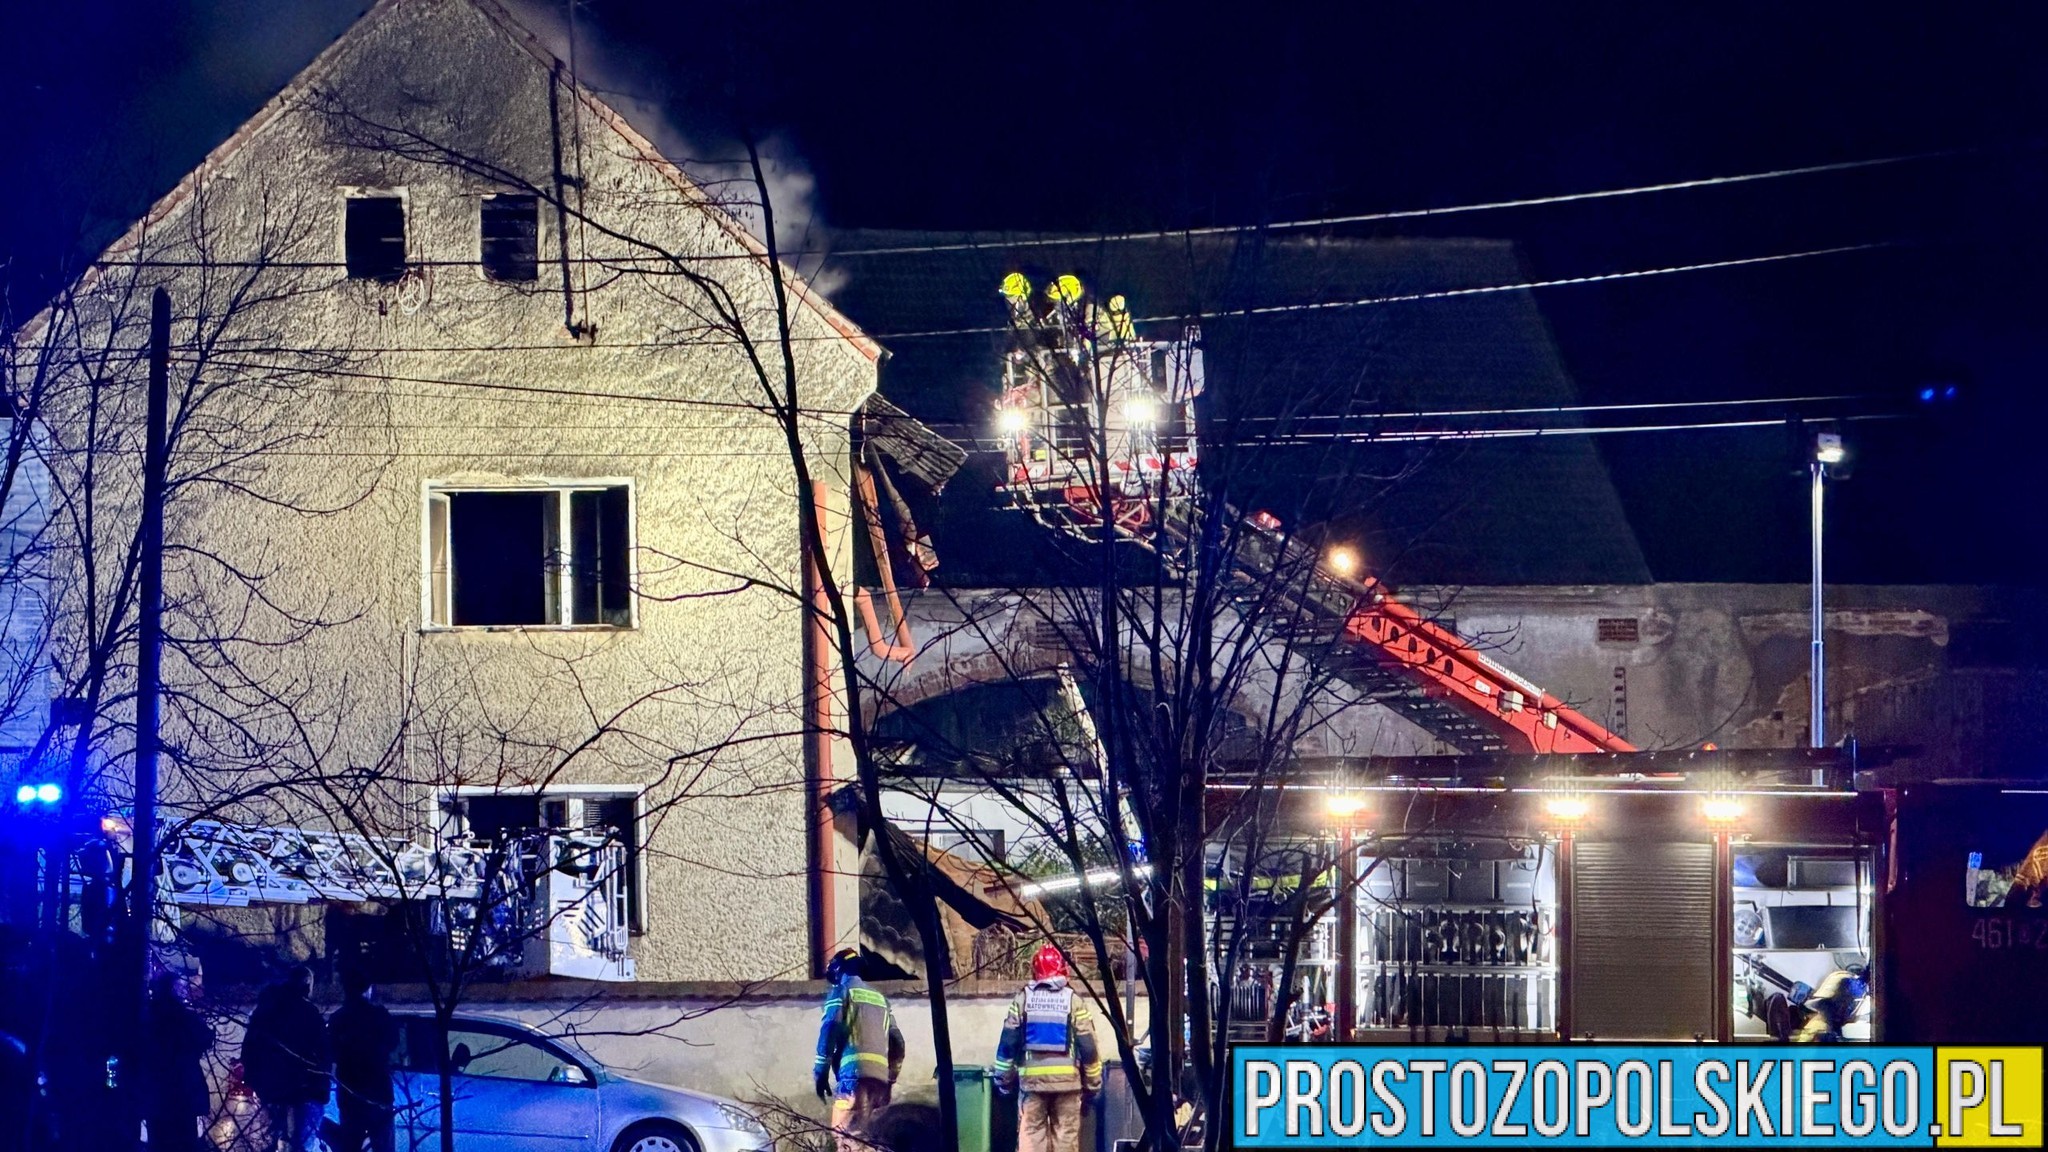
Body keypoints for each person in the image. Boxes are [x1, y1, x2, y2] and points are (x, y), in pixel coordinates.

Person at [994, 945, 1102, 1152]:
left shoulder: (1022, 1000)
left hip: (1032, 1087)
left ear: (1035, 971)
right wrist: (1093, 1084)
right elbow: (1088, 1046)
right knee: (1065, 1140)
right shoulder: (1074, 1001)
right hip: (1068, 1086)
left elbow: (1008, 1043)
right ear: (1063, 970)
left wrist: (1003, 1080)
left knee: (1031, 1138)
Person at [813, 948, 904, 1152]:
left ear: (837, 971)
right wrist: (890, 1079)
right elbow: (898, 1043)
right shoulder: (880, 999)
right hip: (879, 1082)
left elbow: (829, 1030)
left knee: (842, 1135)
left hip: (852, 1078)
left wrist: (820, 1072)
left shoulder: (841, 992)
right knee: (864, 1139)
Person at [241, 966, 332, 1152]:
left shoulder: (265, 1011)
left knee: (271, 1141)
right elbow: (323, 1052)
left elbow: (249, 1049)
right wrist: (319, 1087)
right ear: (306, 986)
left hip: (270, 1090)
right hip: (301, 1091)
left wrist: (256, 1082)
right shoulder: (308, 1012)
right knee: (298, 1143)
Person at [328, 964, 399, 1152]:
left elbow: (331, 1051)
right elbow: (394, 1043)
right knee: (383, 1145)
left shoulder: (338, 1019)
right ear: (368, 989)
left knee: (350, 1146)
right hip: (379, 1092)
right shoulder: (380, 1016)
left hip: (350, 1092)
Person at [146, 972, 215, 1152]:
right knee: (184, 1140)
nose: (184, 991)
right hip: (182, 1091)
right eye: (181, 988)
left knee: (160, 1140)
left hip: (158, 1092)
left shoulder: (147, 1016)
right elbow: (205, 1037)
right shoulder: (182, 1017)